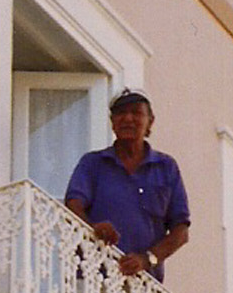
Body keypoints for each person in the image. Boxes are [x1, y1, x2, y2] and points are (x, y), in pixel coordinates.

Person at [64, 89, 189, 279]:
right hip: (94, 276)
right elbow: (73, 204)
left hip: (144, 287)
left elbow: (181, 231)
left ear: (150, 121)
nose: (128, 118)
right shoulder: (93, 163)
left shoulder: (166, 168)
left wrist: (147, 259)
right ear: (112, 123)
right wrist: (93, 227)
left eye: (136, 112)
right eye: (121, 113)